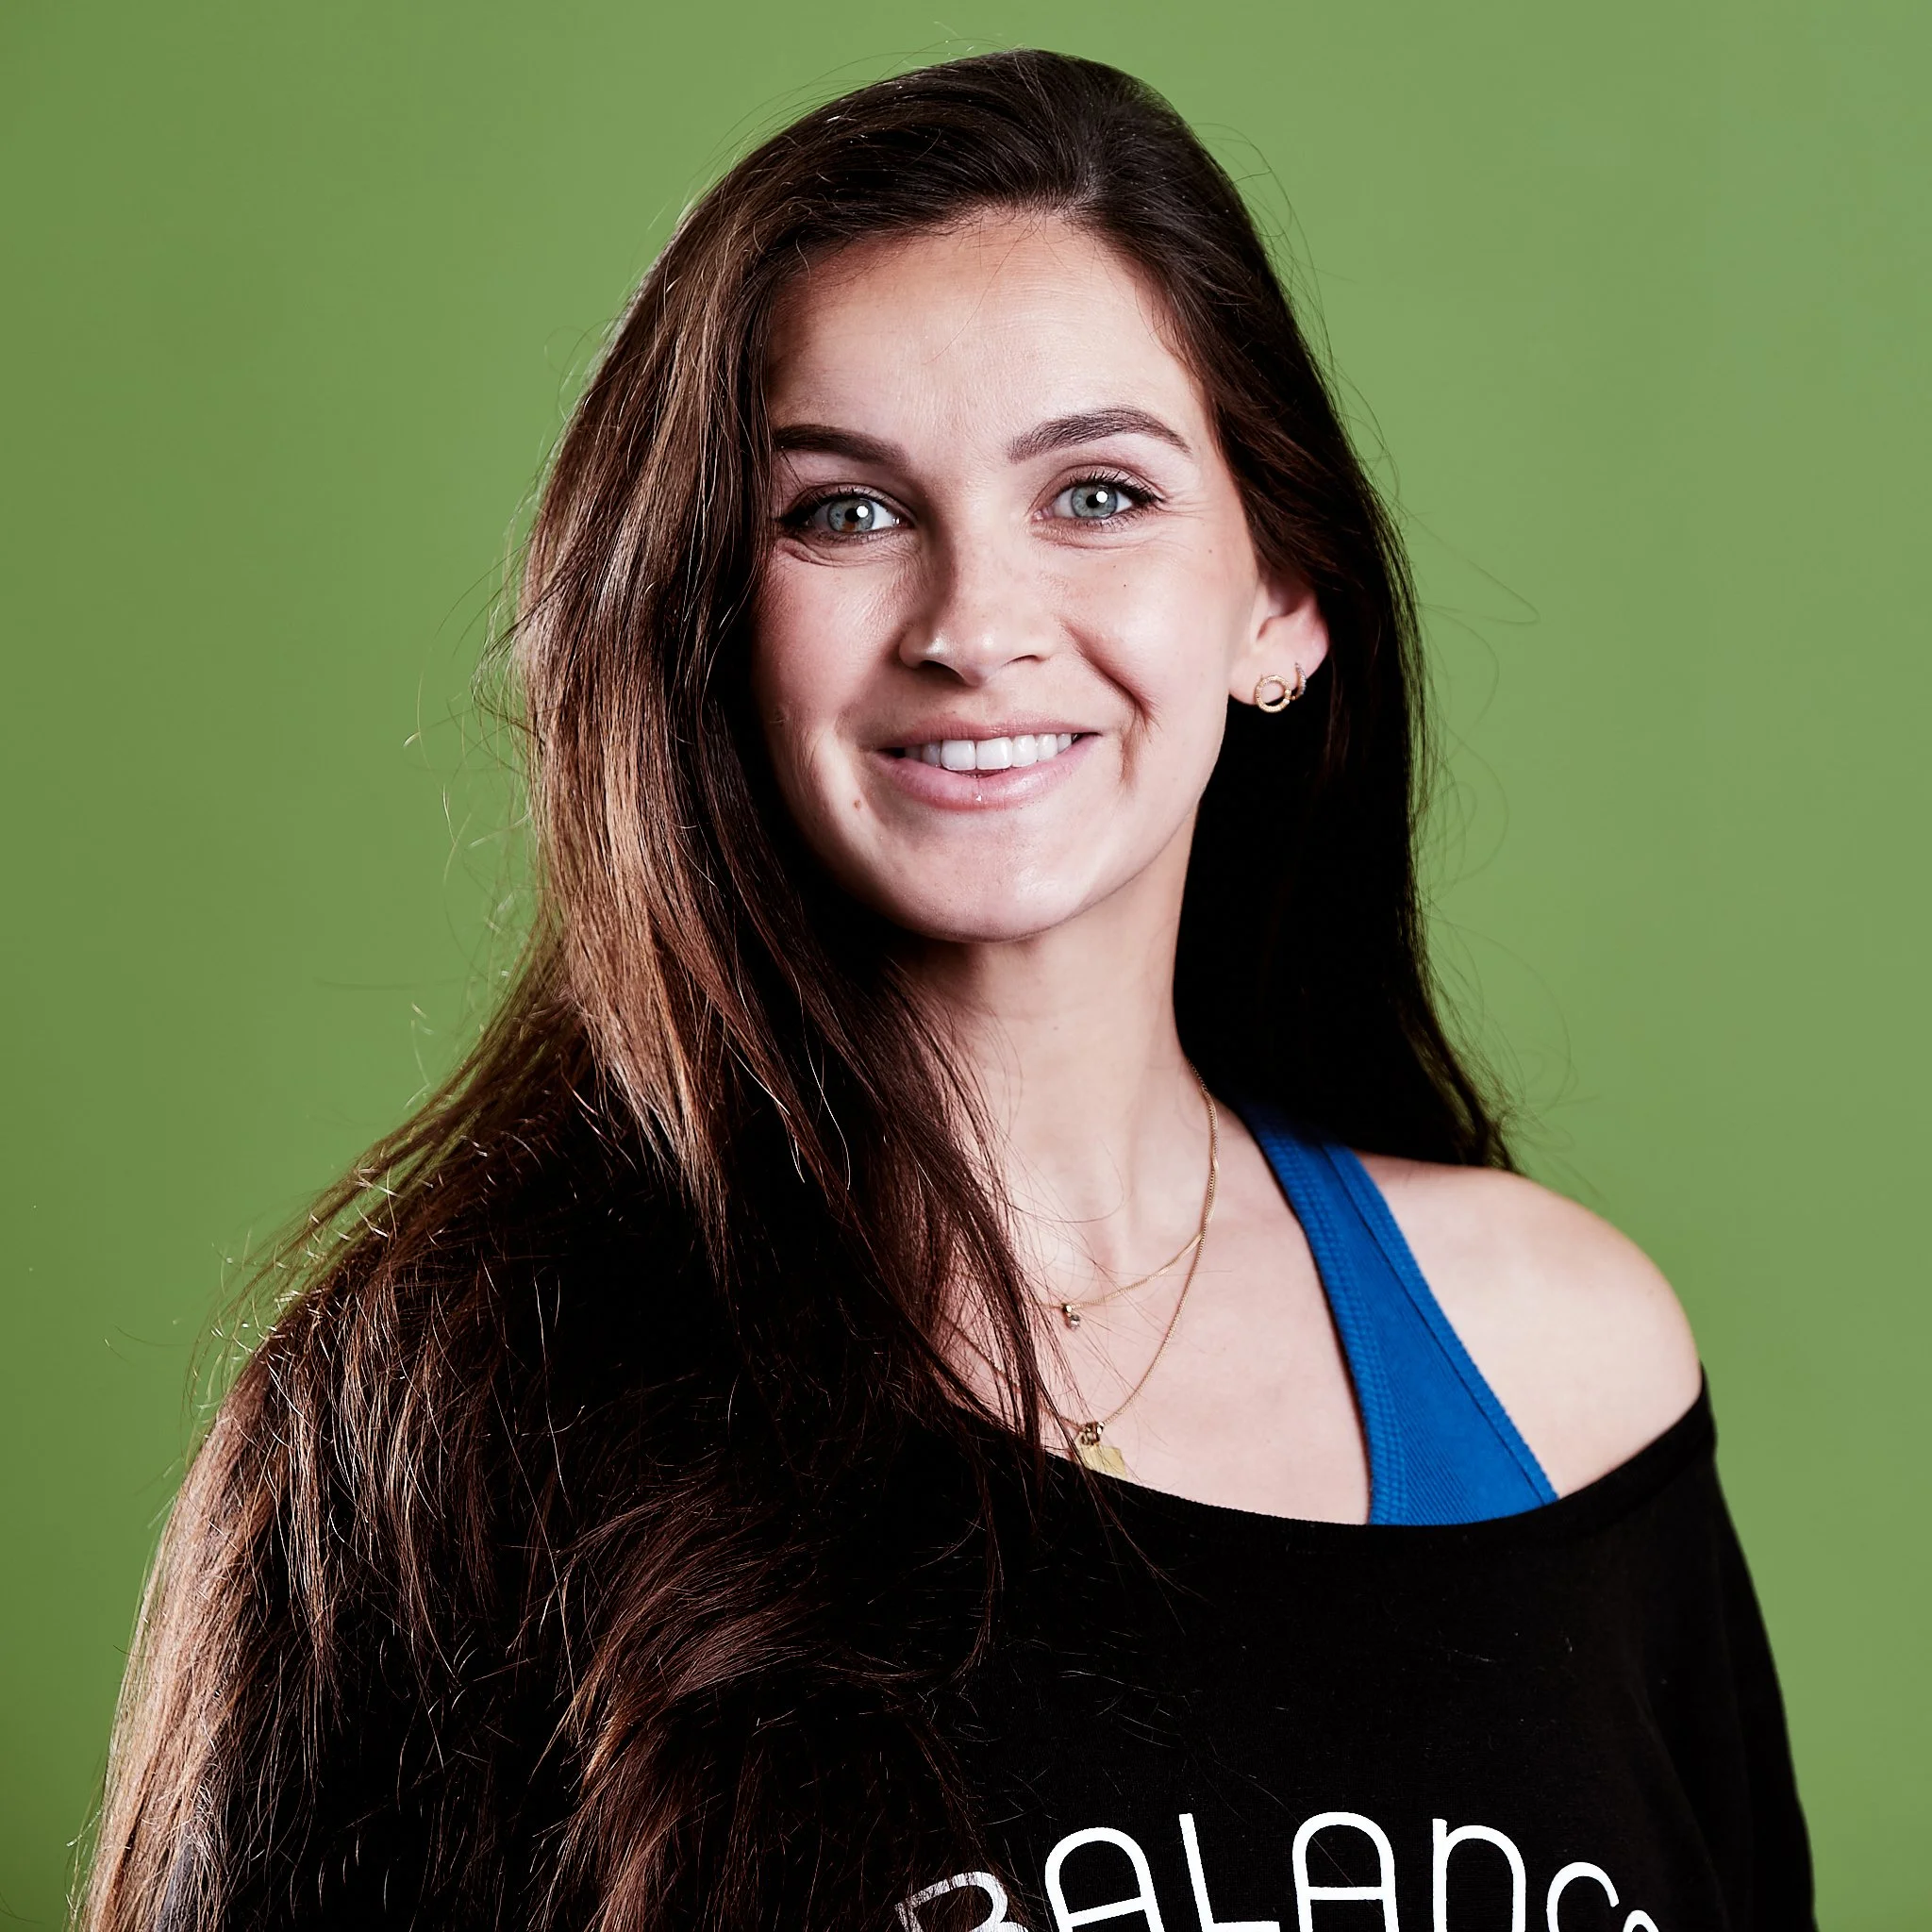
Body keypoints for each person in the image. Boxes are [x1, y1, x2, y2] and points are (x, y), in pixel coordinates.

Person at [82, 49, 1811, 1932]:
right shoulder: (446, 1428)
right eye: (840, 512)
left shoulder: (1561, 1374)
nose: (975, 625)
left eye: (1095, 492)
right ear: (701, 617)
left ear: (1281, 597)